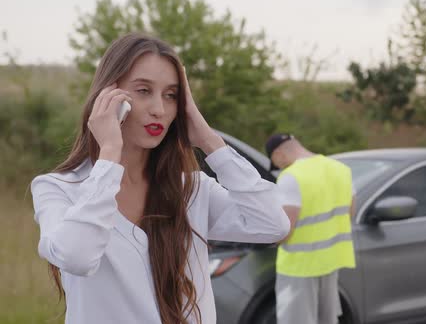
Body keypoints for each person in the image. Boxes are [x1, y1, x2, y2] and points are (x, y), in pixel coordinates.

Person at [30, 33, 290, 324]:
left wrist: (208, 139)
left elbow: (272, 224)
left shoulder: (190, 190)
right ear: (108, 97)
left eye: (171, 95)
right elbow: (77, 256)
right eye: (143, 91)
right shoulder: (58, 189)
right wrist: (110, 152)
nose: (160, 109)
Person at [265, 133, 356, 324]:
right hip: (330, 262)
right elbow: (350, 213)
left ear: (279, 154)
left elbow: (284, 230)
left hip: (299, 268)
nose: (280, 168)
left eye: (276, 163)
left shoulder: (291, 176)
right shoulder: (340, 169)